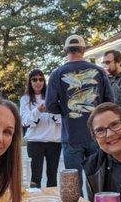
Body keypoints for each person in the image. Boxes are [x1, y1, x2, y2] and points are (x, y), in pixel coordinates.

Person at [46, 34, 114, 193]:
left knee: (73, 185)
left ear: (65, 50)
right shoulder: (99, 71)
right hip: (97, 134)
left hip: (71, 137)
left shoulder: (56, 73)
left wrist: (66, 110)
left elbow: (50, 105)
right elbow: (110, 102)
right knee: (98, 180)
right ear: (84, 50)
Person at [20, 69, 62, 188]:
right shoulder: (25, 99)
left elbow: (61, 120)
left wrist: (51, 111)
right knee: (35, 176)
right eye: (34, 79)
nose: (38, 82)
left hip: (53, 140)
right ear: (30, 82)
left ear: (44, 81)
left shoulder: (53, 97)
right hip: (35, 141)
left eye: (41, 79)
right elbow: (25, 121)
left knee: (52, 175)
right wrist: (38, 110)